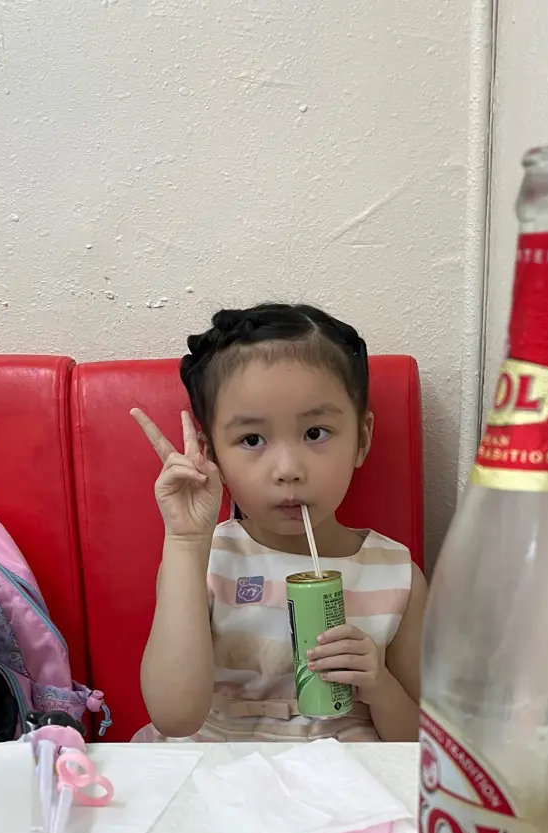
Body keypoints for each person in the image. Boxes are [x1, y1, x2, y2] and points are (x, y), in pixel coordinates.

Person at [131, 303, 427, 743]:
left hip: (341, 775)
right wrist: (185, 541)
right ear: (212, 455)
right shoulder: (205, 558)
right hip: (219, 767)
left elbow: (419, 745)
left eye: (315, 433)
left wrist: (379, 685)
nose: (288, 469)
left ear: (362, 439)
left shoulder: (396, 575)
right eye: (252, 439)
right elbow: (174, 718)